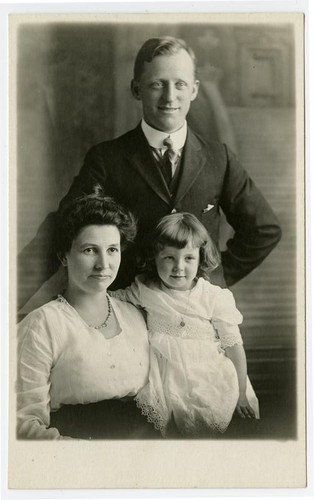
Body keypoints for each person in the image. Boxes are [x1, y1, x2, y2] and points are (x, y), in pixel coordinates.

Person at [18, 36, 281, 311]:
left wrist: (211, 275)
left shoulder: (219, 158)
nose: (170, 97)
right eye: (157, 84)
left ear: (194, 89)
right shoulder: (108, 158)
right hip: (127, 309)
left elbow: (264, 230)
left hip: (196, 315)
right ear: (136, 89)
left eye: (180, 84)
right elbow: (65, 226)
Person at [16, 189, 160, 439]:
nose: (104, 264)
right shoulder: (43, 325)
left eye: (112, 250)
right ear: (64, 256)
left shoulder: (136, 316)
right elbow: (23, 424)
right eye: (90, 250)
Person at [111, 212, 259, 437]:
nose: (178, 267)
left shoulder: (213, 297)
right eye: (169, 257)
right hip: (166, 379)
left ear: (200, 258)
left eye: (188, 258)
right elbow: (112, 298)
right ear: (154, 257)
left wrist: (240, 393)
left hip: (210, 375)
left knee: (214, 429)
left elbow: (234, 347)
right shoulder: (146, 290)